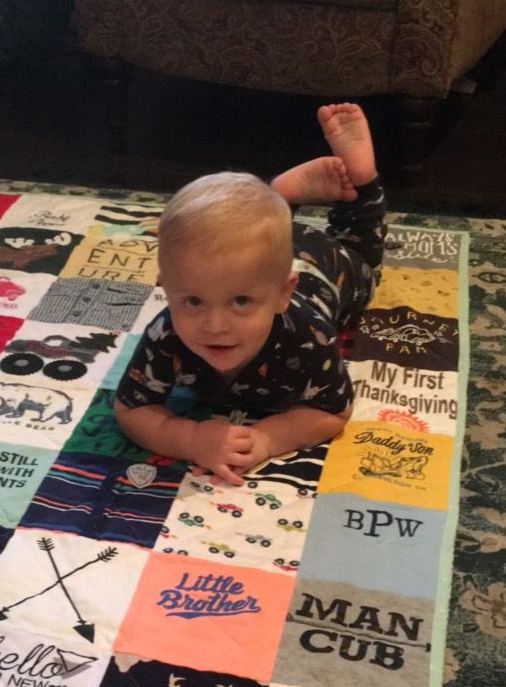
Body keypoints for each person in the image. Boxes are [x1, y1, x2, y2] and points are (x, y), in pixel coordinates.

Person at [113, 103, 386, 486]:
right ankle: (277, 202)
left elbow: (332, 410)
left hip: (328, 264)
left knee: (365, 261)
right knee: (252, 243)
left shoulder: (309, 336)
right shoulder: (165, 335)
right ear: (165, 288)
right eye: (192, 301)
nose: (214, 325)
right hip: (260, 261)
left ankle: (360, 181)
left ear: (282, 295)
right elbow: (131, 409)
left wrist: (268, 438)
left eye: (241, 301)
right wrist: (191, 438)